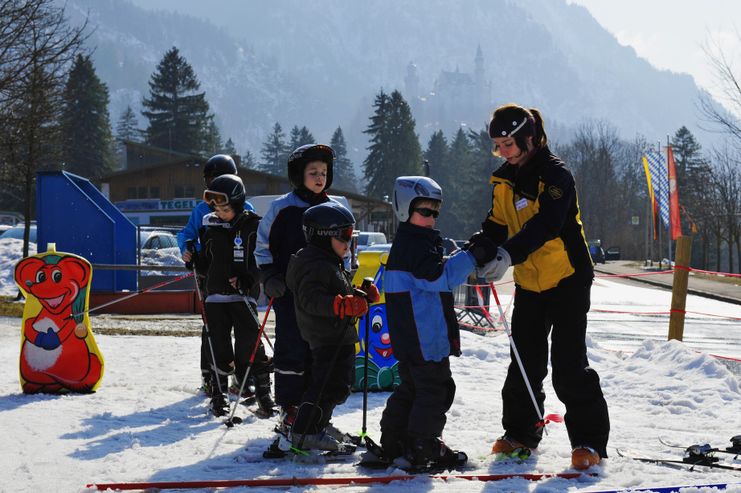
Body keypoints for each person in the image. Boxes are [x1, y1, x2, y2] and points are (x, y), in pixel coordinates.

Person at [472, 103, 610, 470]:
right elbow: (496, 224)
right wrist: (481, 248)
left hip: (567, 277)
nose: (502, 152)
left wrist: (508, 254)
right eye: (497, 146)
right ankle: (520, 431)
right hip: (530, 282)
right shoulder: (503, 179)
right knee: (524, 360)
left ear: (528, 139)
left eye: (508, 144)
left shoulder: (555, 175)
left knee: (568, 364)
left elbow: (546, 225)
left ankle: (589, 441)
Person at [378, 176, 499, 471]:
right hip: (424, 336)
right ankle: (424, 445)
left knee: (412, 389)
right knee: (435, 390)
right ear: (406, 209)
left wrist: (466, 252)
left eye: (435, 212)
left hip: (412, 336)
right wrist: (473, 255)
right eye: (425, 211)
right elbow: (439, 278)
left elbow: (432, 271)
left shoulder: (412, 243)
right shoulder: (414, 245)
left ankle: (394, 441)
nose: (432, 218)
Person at [254, 144, 340, 435]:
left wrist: (345, 280)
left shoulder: (334, 211)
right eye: (313, 172)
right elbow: (262, 245)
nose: (319, 178)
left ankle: (316, 410)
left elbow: (346, 251)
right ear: (298, 175)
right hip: (289, 294)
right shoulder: (282, 208)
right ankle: (290, 408)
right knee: (292, 349)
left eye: (324, 173)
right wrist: (268, 276)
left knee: (320, 352)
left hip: (324, 298)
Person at [285, 202, 380, 451]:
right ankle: (306, 432)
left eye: (351, 235)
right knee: (327, 385)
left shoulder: (328, 261)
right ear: (323, 236)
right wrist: (342, 305)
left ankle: (319, 424)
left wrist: (360, 295)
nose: (348, 243)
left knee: (336, 384)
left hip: (337, 334)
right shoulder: (313, 264)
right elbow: (310, 299)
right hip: (326, 336)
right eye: (344, 236)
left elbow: (336, 291)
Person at [177, 154, 260, 396]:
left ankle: (244, 376)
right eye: (210, 180)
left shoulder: (246, 208)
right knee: (213, 328)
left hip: (237, 274)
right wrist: (189, 250)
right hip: (211, 273)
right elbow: (187, 234)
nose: (214, 185)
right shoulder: (202, 209)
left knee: (245, 328)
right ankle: (210, 374)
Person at [193, 174, 274, 417]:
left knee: (249, 347)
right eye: (217, 208)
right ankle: (219, 396)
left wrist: (248, 279)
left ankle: (263, 396)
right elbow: (208, 262)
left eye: (225, 208)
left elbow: (261, 262)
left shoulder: (253, 227)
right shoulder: (211, 227)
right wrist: (195, 261)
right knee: (218, 347)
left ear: (238, 204)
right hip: (216, 297)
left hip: (243, 297)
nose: (221, 213)